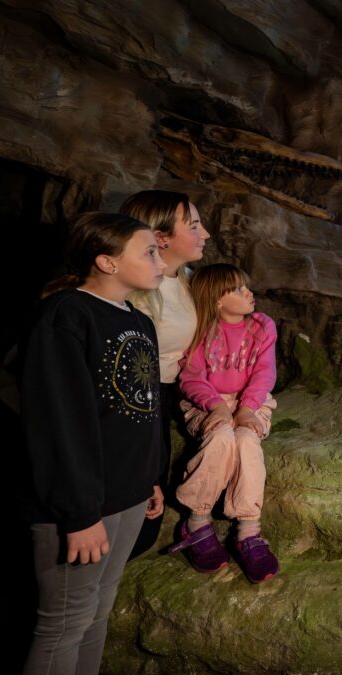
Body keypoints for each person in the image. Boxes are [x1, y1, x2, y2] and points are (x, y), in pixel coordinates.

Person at [19, 212, 166, 675]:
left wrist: (151, 478)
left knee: (97, 614)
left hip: (128, 495)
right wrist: (80, 514)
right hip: (81, 506)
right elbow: (59, 421)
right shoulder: (67, 315)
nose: (160, 260)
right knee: (64, 623)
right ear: (106, 261)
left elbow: (146, 408)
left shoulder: (139, 320)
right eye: (148, 251)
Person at [166, 263, 280, 584]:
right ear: (217, 300)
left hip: (251, 401)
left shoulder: (262, 326)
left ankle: (248, 531)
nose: (248, 292)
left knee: (246, 441)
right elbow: (191, 377)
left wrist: (247, 409)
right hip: (208, 401)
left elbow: (264, 373)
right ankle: (197, 522)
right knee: (221, 439)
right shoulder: (202, 330)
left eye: (246, 286)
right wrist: (216, 406)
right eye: (237, 289)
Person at [119, 190, 211, 559]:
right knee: (135, 520)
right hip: (136, 399)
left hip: (169, 394)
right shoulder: (133, 295)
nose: (205, 234)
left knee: (141, 527)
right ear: (161, 238)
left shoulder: (187, 279)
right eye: (194, 226)